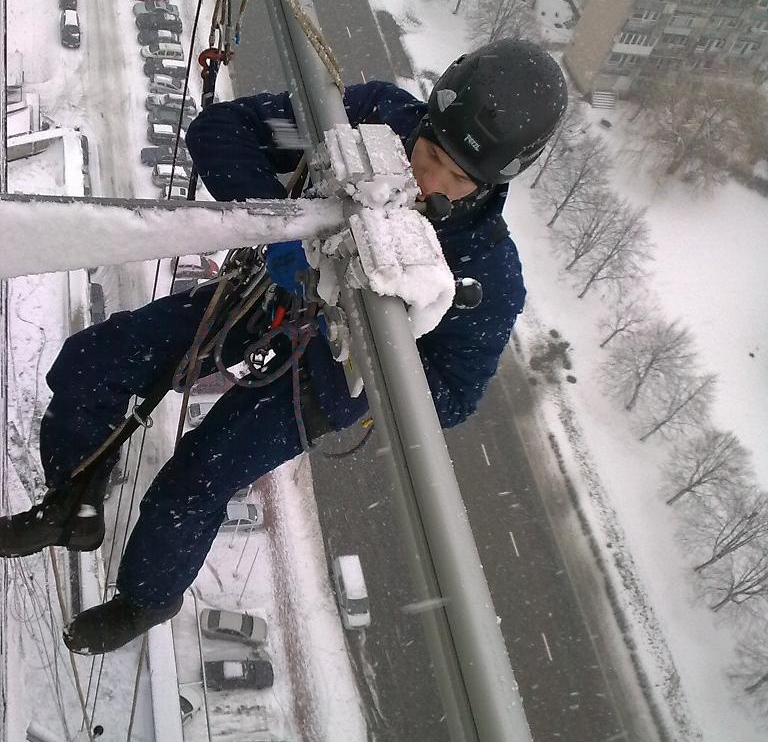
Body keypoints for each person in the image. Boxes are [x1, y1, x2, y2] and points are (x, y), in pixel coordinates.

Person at [0, 39, 568, 654]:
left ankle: (146, 600)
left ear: (491, 183)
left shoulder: (487, 273)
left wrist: (378, 344)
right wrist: (281, 225)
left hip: (327, 373)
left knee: (195, 478)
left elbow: (453, 393)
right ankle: (71, 502)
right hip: (270, 292)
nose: (426, 179)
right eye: (427, 152)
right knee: (94, 361)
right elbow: (224, 130)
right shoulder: (374, 117)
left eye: (457, 177)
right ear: (425, 119)